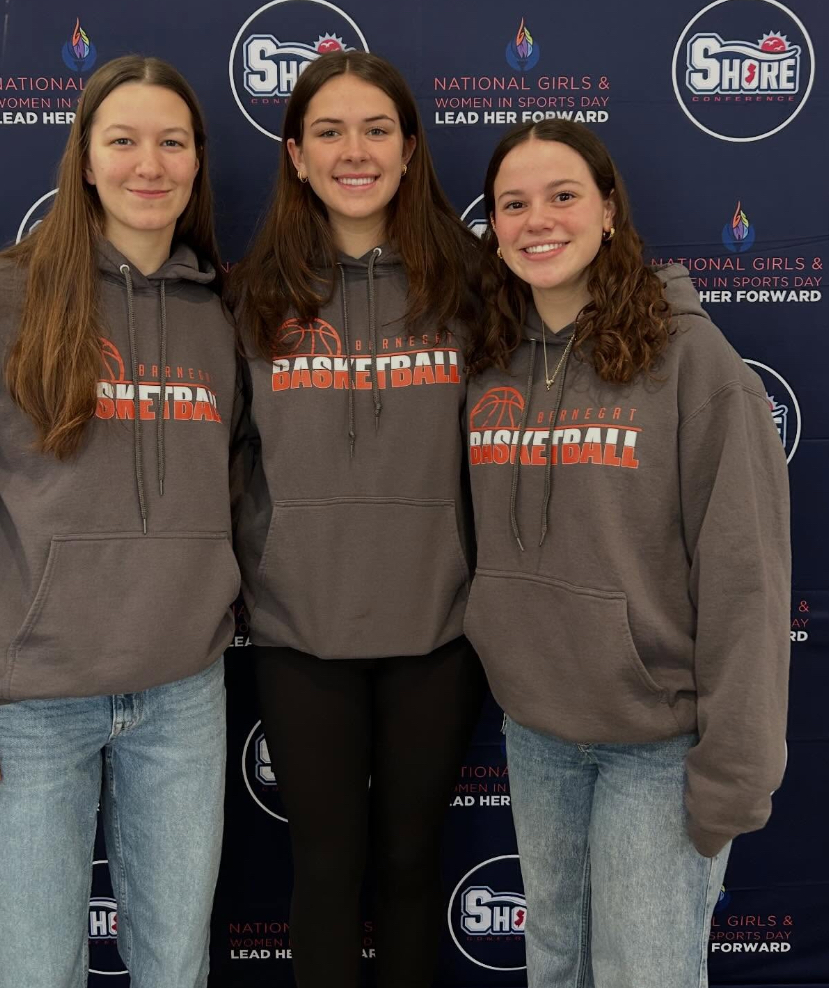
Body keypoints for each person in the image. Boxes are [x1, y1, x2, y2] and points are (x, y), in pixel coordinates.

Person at [0, 56, 237, 988]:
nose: (148, 164)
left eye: (172, 142)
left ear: (198, 161)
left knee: (176, 968)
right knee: (36, 971)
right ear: (84, 159)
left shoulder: (223, 316)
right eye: (122, 141)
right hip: (29, 705)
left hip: (183, 697)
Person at [463, 119, 790, 987]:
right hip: (537, 735)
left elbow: (746, 578)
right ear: (492, 227)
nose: (539, 220)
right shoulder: (489, 362)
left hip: (659, 747)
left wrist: (733, 773)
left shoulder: (694, 362)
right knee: (556, 965)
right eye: (514, 203)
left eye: (563, 195)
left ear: (609, 211)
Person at [228, 50, 487, 988]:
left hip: (441, 628)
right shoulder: (250, 296)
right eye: (329, 131)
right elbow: (225, 460)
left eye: (377, 129)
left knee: (415, 865)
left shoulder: (472, 286)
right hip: (302, 629)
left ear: (410, 150)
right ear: (296, 156)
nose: (355, 151)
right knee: (326, 872)